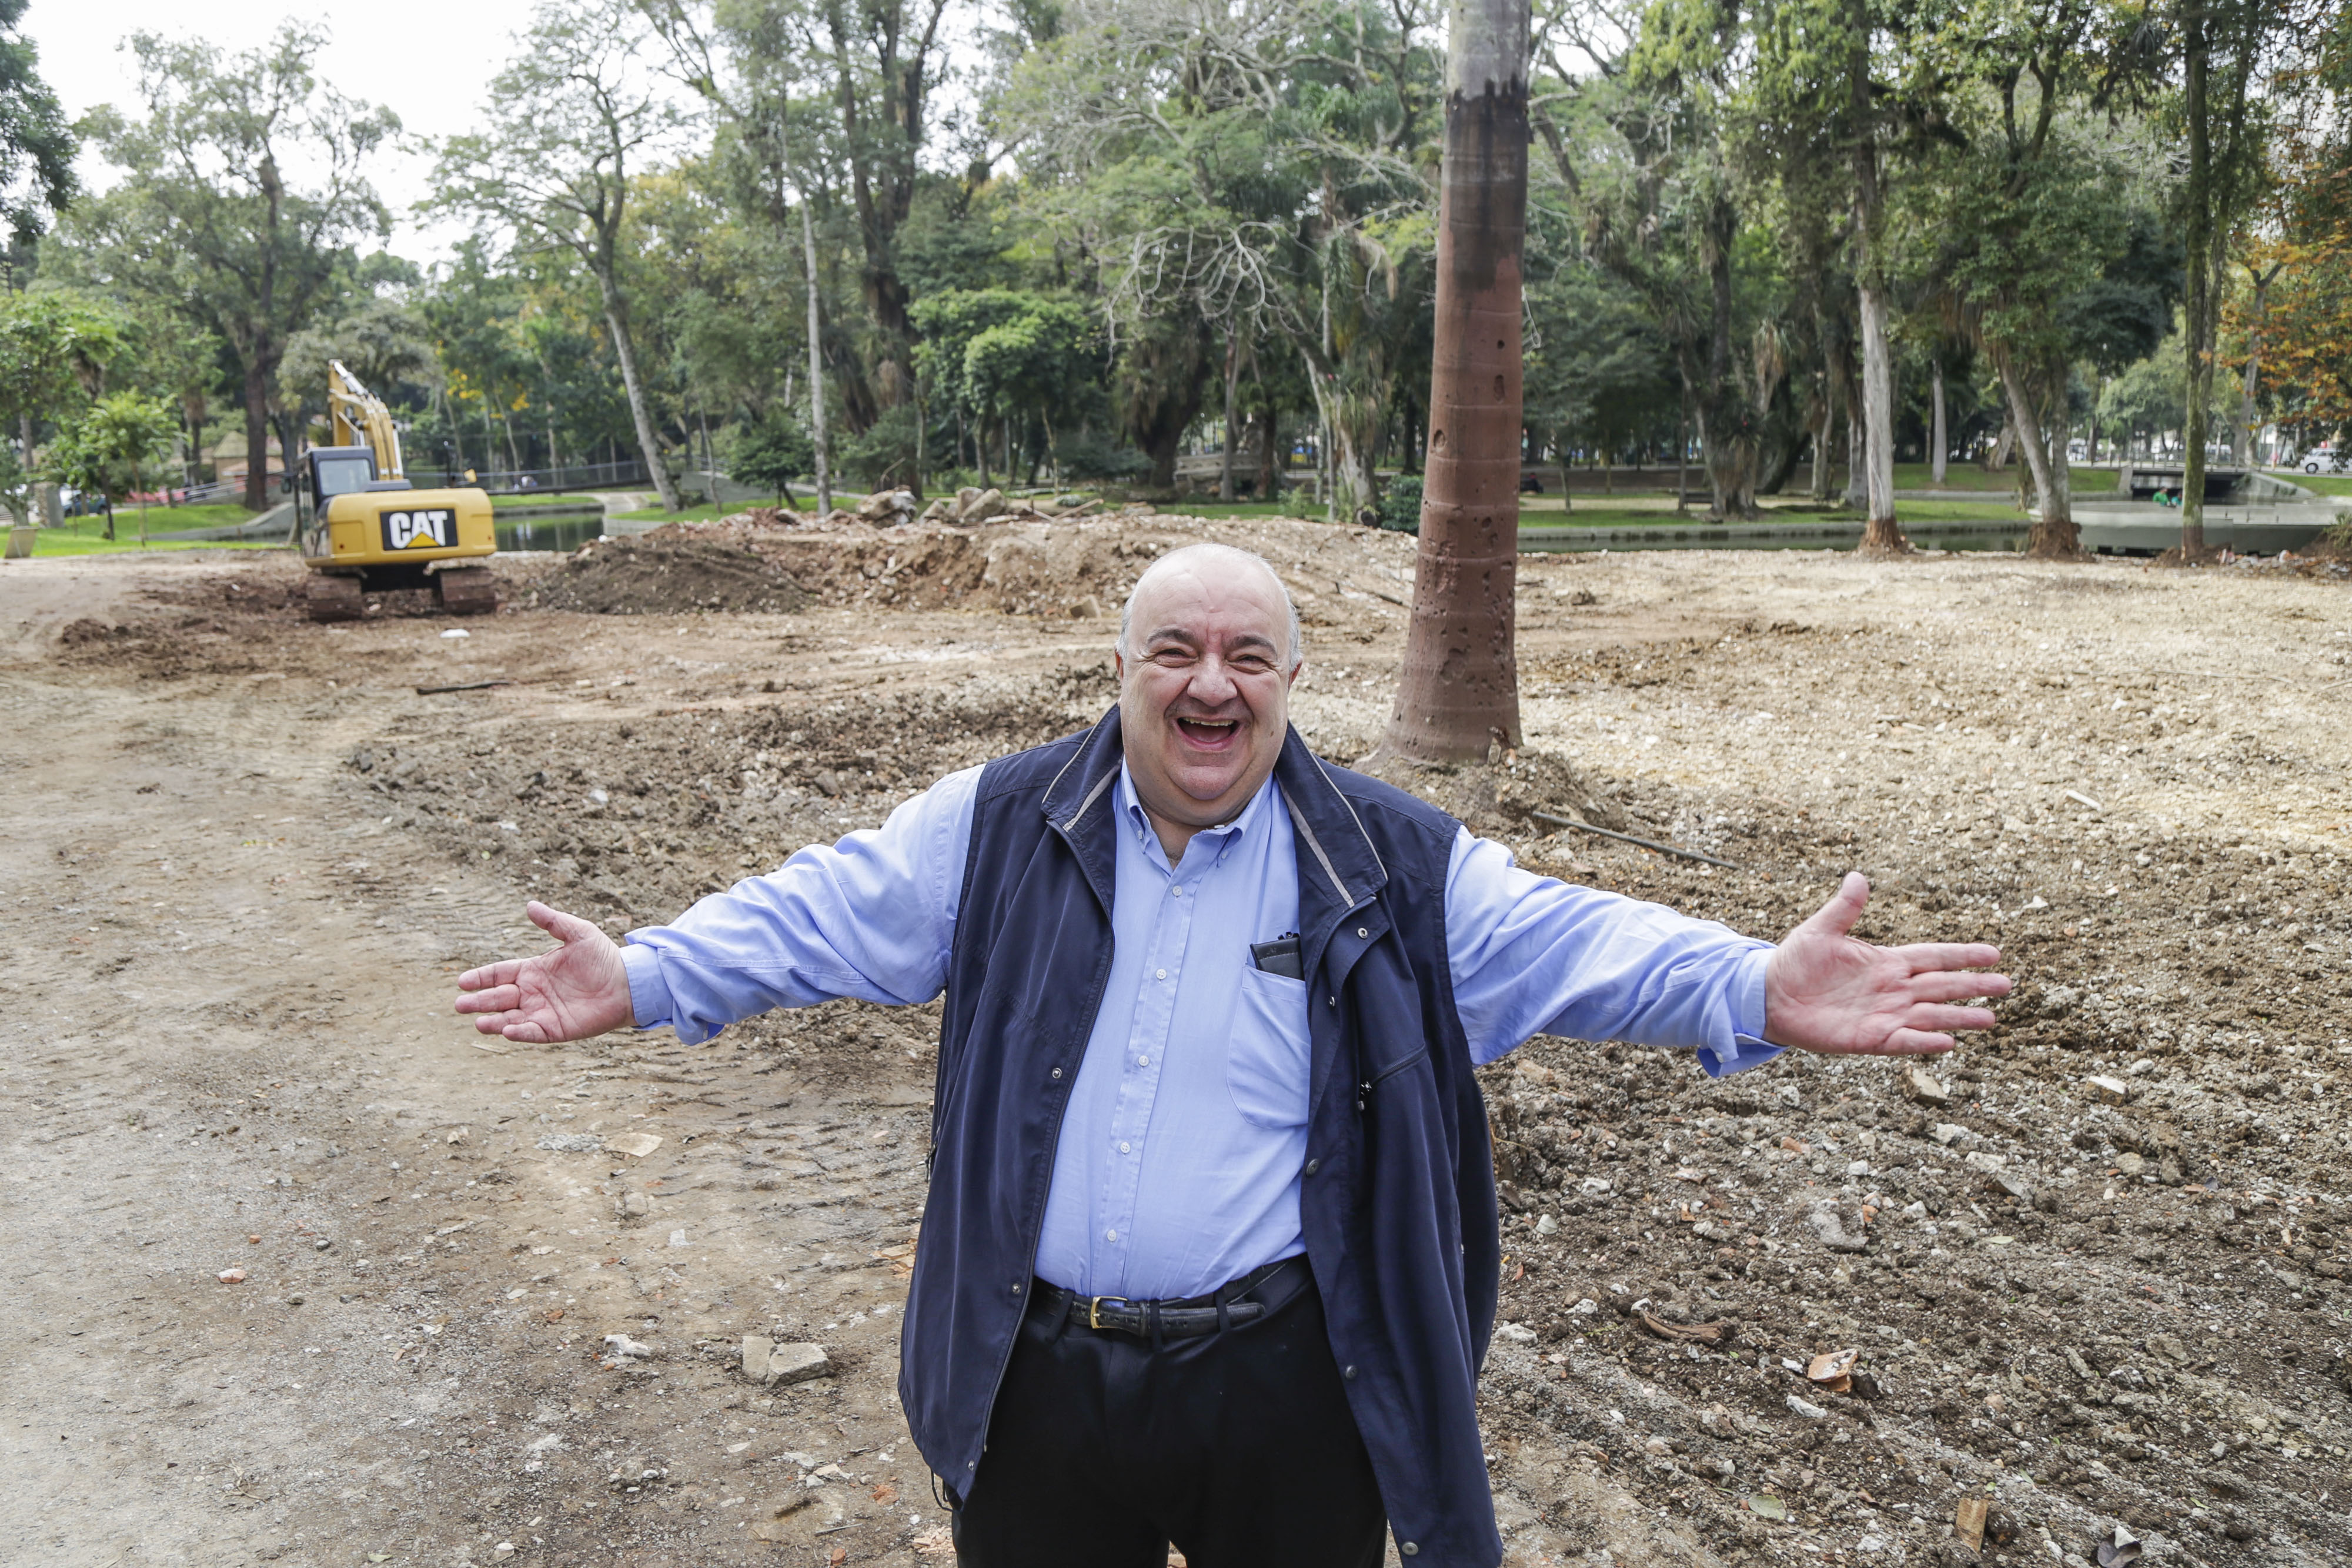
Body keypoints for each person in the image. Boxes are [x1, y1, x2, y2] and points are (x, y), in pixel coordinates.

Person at [456, 543, 2009, 1568]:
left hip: (1284, 1381)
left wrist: (1751, 982)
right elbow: (822, 909)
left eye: (1251, 655)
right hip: (1037, 1373)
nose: (1214, 682)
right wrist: (651, 970)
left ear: (1289, 682)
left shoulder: (1388, 862)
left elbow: (1573, 942)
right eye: (1178, 651)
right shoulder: (1004, 823)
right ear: (1123, 671)